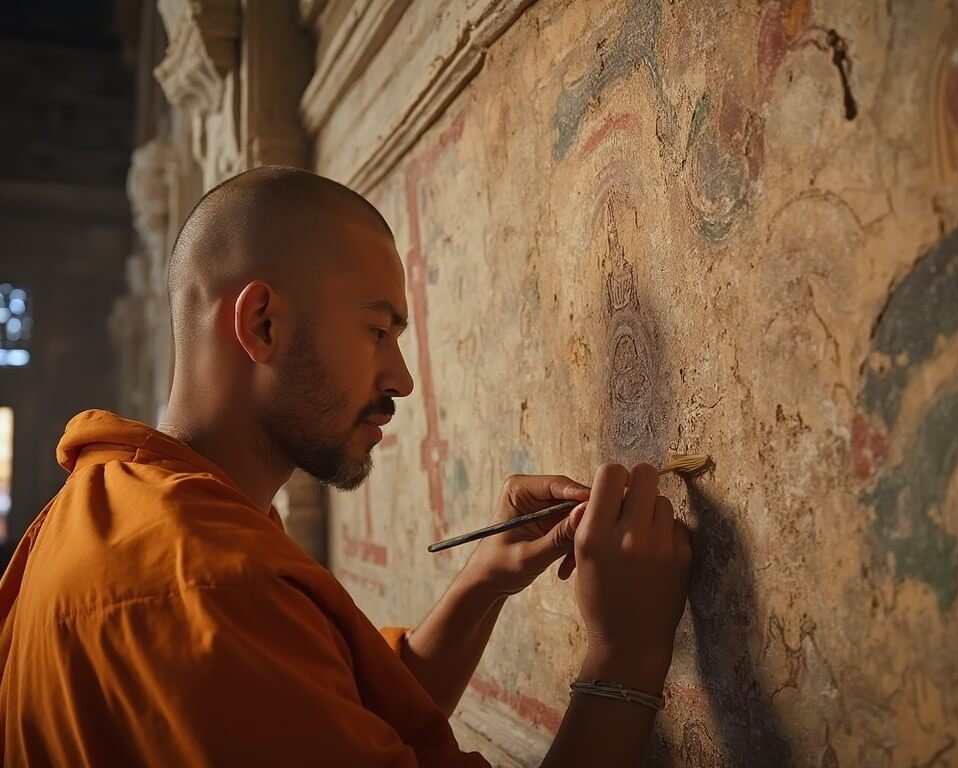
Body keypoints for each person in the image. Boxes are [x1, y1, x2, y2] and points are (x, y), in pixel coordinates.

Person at [0, 166, 693, 766]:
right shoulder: (197, 580)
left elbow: (344, 714)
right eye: (377, 331)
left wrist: (485, 579)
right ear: (262, 324)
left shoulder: (119, 507)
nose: (400, 378)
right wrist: (624, 654)